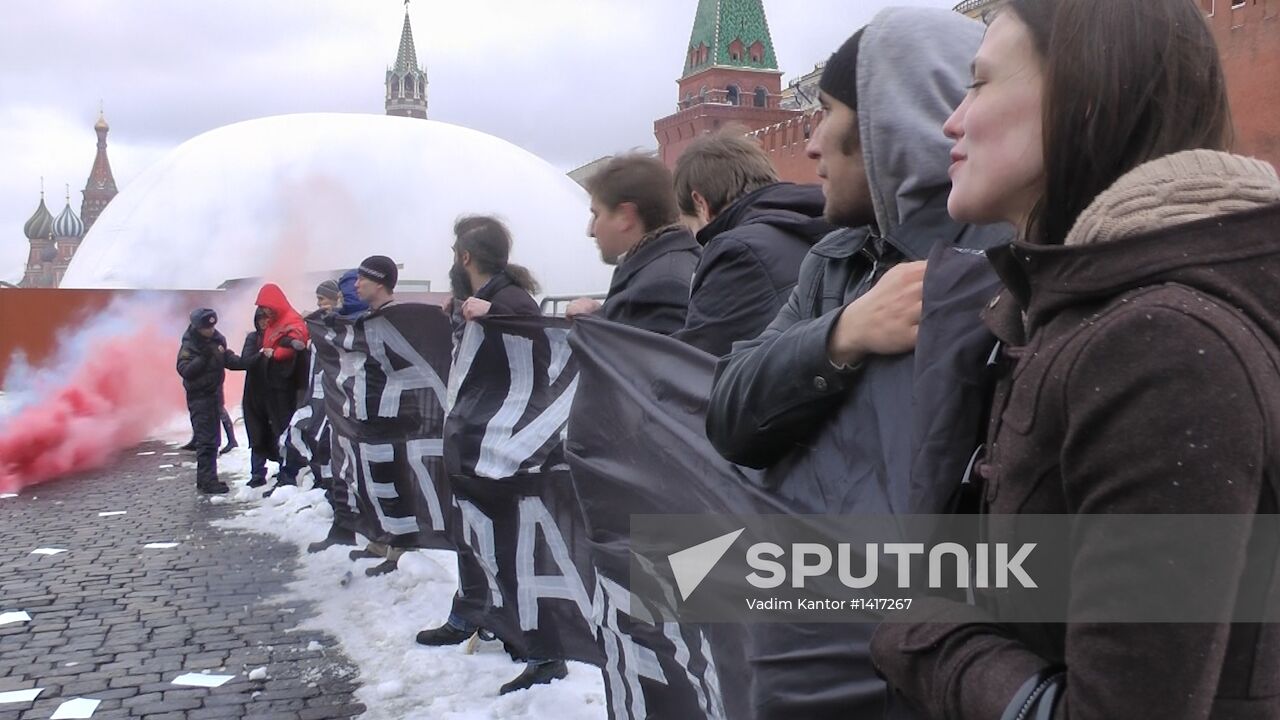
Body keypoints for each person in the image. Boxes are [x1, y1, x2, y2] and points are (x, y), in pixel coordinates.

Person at [870, 1, 1280, 718]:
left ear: (1084, 95)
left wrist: (921, 630)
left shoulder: (1159, 346)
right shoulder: (1074, 313)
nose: (950, 121)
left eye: (979, 84)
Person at [703, 10, 1010, 719]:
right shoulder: (836, 263)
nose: (808, 144)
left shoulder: (1017, 271)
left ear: (889, 123)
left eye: (827, 114)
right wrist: (840, 337)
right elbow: (728, 416)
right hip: (816, 656)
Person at [418, 216, 568, 695]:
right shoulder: (487, 301)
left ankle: (543, 651)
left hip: (505, 448)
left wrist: (496, 318)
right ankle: (475, 615)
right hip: (478, 441)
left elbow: (533, 355)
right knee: (476, 536)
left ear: (465, 257)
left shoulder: (509, 302)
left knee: (511, 548)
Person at [671, 132, 834, 356]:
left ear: (701, 204)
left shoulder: (736, 251)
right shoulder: (831, 222)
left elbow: (697, 361)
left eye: (693, 230)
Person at [565, 154, 700, 334]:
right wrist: (598, 315)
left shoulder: (662, 285)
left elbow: (646, 359)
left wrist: (592, 325)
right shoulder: (660, 269)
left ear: (625, 216)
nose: (590, 230)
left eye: (596, 214)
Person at [251, 283, 310, 494]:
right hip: (273, 385)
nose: (264, 312)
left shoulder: (291, 320)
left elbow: (296, 343)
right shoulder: (273, 323)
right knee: (277, 427)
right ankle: (285, 466)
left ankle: (290, 469)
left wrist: (273, 353)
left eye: (267, 307)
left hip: (287, 384)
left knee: (286, 427)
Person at [176, 308, 241, 494]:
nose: (210, 331)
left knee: (213, 441)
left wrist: (248, 361)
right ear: (197, 327)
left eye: (212, 327)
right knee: (206, 442)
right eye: (206, 328)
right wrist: (204, 357)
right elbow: (185, 370)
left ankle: (206, 479)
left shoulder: (217, 340)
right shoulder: (189, 346)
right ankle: (207, 480)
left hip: (215, 396)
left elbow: (226, 359)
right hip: (199, 398)